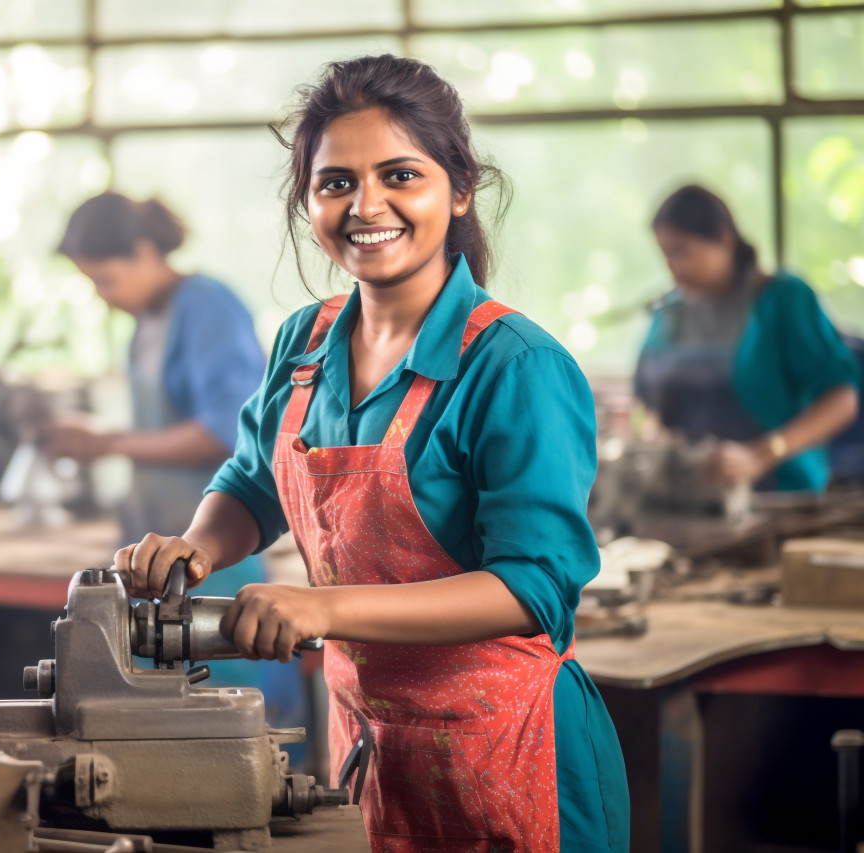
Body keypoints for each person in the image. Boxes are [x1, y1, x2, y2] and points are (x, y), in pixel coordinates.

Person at [114, 55, 629, 853]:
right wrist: (198, 546)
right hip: (369, 748)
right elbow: (254, 481)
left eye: (400, 175)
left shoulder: (516, 365)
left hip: (514, 754)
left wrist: (324, 608)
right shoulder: (307, 340)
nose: (367, 205)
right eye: (335, 183)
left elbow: (536, 586)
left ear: (459, 189)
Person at [49, 192, 302, 707]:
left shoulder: (207, 307)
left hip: (215, 557)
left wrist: (107, 443)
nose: (102, 295)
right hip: (158, 565)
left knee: (240, 721)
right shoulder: (147, 322)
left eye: (105, 279)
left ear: (144, 251)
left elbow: (224, 431)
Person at [635, 184, 860, 491]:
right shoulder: (670, 311)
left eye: (682, 252)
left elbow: (842, 399)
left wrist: (762, 455)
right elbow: (649, 406)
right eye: (665, 255)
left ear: (724, 239)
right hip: (688, 497)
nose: (673, 269)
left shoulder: (783, 300)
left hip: (777, 494)